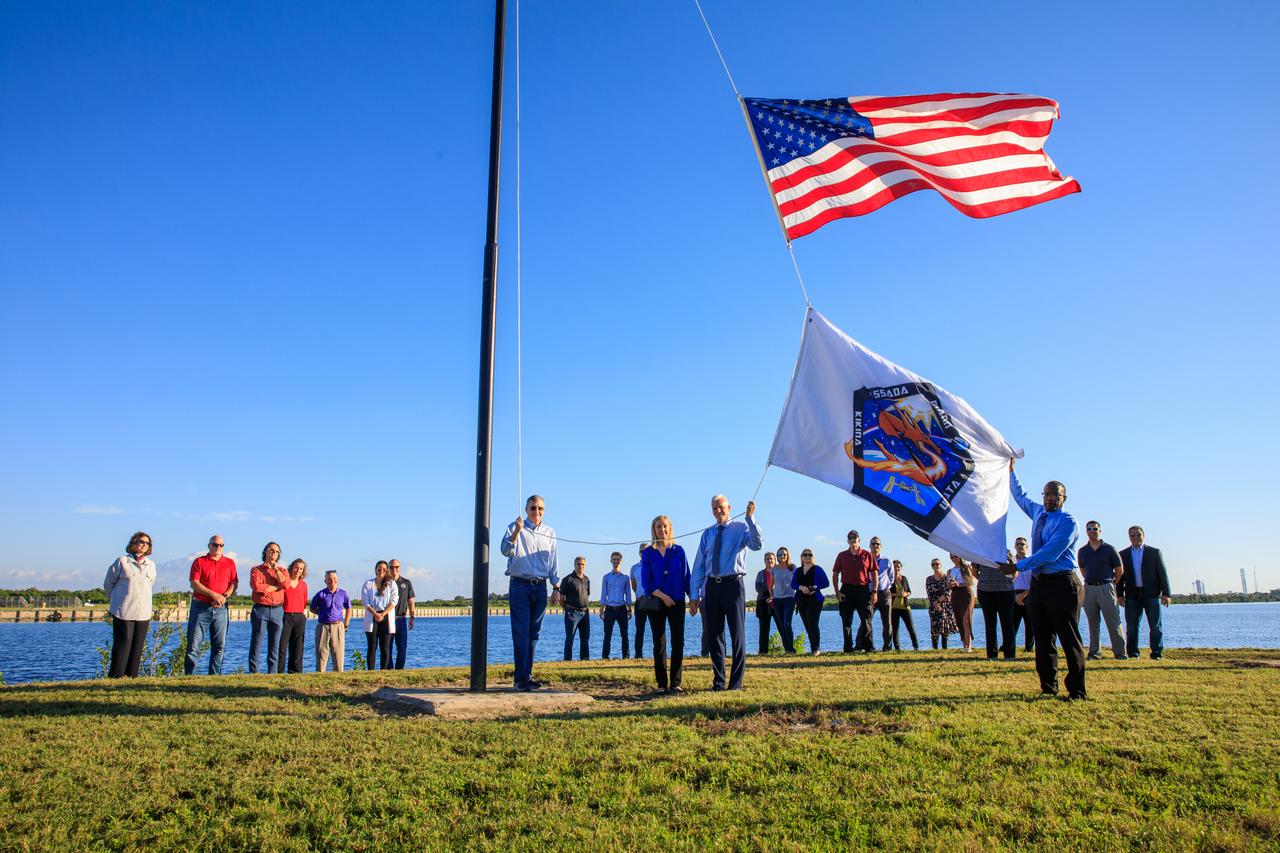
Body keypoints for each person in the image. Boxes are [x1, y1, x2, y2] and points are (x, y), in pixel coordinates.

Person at [997, 463, 1086, 700]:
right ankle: (1049, 686)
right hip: (1040, 584)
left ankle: (1077, 689)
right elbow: (1020, 496)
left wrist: (1017, 566)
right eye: (1046, 494)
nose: (1049, 498)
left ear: (1063, 497)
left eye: (1055, 494)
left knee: (1069, 638)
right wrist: (1010, 471)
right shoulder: (1039, 513)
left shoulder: (1068, 522)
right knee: (1043, 637)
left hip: (1062, 583)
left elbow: (1049, 553)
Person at [689, 496, 762, 692]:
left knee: (737, 636)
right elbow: (699, 565)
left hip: (733, 585)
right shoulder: (708, 534)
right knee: (714, 636)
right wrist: (694, 595)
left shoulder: (741, 528)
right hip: (712, 587)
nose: (717, 511)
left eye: (720, 507)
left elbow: (757, 544)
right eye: (714, 508)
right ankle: (719, 682)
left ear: (728, 507)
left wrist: (751, 519)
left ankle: (735, 684)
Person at [501, 494, 561, 691]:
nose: (537, 512)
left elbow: (553, 562)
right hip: (520, 585)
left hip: (540, 587)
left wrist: (556, 587)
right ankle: (520, 679)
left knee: (534, 633)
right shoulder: (515, 526)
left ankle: (527, 675)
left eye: (540, 508)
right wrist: (516, 533)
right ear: (526, 509)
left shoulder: (550, 532)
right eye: (533, 508)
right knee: (521, 632)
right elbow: (505, 550)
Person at [641, 514, 691, 693]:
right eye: (658, 527)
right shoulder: (648, 553)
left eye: (664, 526)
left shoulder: (679, 551)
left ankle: (675, 682)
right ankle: (662, 684)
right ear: (653, 530)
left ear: (669, 528)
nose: (662, 530)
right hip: (657, 603)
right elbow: (647, 583)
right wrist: (664, 597)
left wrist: (693, 598)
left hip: (677, 602)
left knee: (678, 642)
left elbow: (686, 577)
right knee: (659, 643)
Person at [103, 531, 157, 678]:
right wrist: (117, 600)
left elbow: (149, 584)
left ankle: (132, 676)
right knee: (123, 643)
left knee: (137, 646)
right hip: (124, 610)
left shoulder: (151, 565)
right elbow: (109, 584)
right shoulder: (122, 562)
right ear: (133, 543)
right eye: (141, 541)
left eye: (147, 543)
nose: (144, 545)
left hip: (143, 612)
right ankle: (116, 676)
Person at [185, 535, 239, 675]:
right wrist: (213, 595)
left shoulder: (230, 563)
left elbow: (233, 583)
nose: (218, 548)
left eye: (221, 545)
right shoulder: (199, 562)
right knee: (193, 646)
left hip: (221, 609)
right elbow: (194, 583)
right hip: (200, 607)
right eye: (215, 545)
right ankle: (190, 677)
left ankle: (214, 677)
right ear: (209, 545)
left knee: (219, 646)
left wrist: (224, 597)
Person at [1117, 526, 1171, 660]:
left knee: (1155, 626)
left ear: (1144, 535)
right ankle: (1133, 653)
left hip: (1151, 595)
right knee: (1132, 626)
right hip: (1132, 595)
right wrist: (1119, 595)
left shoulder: (1154, 552)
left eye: (1138, 535)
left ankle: (1156, 653)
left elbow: (1163, 574)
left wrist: (1166, 594)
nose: (1135, 537)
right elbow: (1119, 577)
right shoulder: (1123, 554)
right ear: (1129, 537)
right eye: (1132, 535)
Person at [1077, 521, 1127, 661]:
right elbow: (1082, 569)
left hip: (1106, 587)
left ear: (1100, 530)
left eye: (1095, 529)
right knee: (1092, 623)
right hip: (1089, 589)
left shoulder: (1109, 549)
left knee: (1113, 622)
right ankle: (1094, 653)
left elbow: (1119, 570)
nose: (1092, 531)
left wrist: (1112, 584)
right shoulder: (1083, 551)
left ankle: (1120, 653)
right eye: (1089, 529)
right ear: (1086, 531)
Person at [248, 542, 291, 674]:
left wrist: (276, 570)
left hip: (278, 610)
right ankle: (255, 672)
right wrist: (276, 588)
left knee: (275, 645)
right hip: (261, 609)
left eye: (276, 551)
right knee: (257, 642)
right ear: (265, 552)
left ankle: (272, 673)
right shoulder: (256, 570)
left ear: (279, 554)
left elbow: (286, 584)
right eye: (271, 550)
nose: (273, 552)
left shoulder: (282, 571)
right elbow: (257, 587)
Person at [832, 530, 876, 653]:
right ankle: (848, 648)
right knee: (846, 620)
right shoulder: (842, 555)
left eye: (855, 538)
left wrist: (875, 591)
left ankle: (869, 647)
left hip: (863, 589)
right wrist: (837, 592)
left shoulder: (867, 555)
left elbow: (874, 573)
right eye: (850, 538)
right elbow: (835, 574)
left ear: (859, 540)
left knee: (866, 619)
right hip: (846, 589)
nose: (852, 540)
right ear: (847, 541)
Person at [976, 553, 1017, 660]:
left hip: (1006, 592)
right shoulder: (979, 551)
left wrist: (1008, 581)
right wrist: (984, 581)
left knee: (1007, 623)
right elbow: (974, 571)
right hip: (985, 592)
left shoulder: (1007, 552)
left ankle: (1010, 654)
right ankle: (992, 654)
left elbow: (1015, 571)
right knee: (990, 624)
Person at [310, 570, 352, 672]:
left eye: (334, 579)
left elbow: (349, 608)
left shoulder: (343, 594)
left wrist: (346, 624)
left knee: (338, 655)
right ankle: (320, 677)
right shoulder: (321, 594)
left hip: (338, 626)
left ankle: (338, 677)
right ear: (325, 581)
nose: (332, 581)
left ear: (337, 580)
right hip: (323, 626)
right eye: (329, 579)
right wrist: (321, 613)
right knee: (321, 654)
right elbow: (312, 608)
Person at [361, 561, 399, 671]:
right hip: (372, 616)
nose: (381, 571)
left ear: (386, 570)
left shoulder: (392, 584)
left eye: (384, 569)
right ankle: (371, 671)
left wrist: (383, 613)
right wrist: (375, 614)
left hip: (386, 617)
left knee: (385, 647)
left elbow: (394, 601)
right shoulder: (368, 584)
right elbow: (365, 601)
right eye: (379, 569)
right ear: (375, 570)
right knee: (372, 647)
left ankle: (383, 671)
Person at [791, 548, 829, 655]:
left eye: (810, 555)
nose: (807, 556)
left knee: (813, 622)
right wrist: (801, 587)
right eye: (805, 555)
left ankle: (816, 648)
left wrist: (814, 587)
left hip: (815, 599)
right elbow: (793, 584)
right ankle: (813, 647)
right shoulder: (798, 570)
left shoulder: (817, 569)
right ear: (801, 557)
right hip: (801, 600)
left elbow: (826, 582)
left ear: (812, 557)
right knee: (807, 624)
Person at [278, 558, 309, 674]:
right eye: (296, 567)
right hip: (285, 616)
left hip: (299, 617)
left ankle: (296, 672)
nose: (298, 570)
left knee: (298, 647)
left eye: (301, 569)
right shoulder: (285, 582)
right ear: (292, 567)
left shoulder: (303, 585)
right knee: (282, 646)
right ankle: (279, 672)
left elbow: (304, 600)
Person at [600, 552, 633, 659]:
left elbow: (628, 594)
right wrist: (601, 609)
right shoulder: (606, 577)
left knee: (624, 635)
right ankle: (605, 657)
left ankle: (626, 657)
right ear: (611, 561)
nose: (615, 561)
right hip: (609, 609)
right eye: (614, 559)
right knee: (607, 636)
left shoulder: (625, 578)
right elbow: (603, 594)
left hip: (622, 610)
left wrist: (629, 609)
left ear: (621, 561)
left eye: (618, 559)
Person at [561, 556, 592, 661]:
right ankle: (567, 661)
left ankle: (585, 660)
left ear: (585, 565)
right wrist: (567, 609)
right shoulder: (568, 579)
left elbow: (587, 595)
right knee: (570, 638)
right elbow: (561, 599)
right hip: (572, 613)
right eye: (578, 564)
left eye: (583, 564)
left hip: (585, 613)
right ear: (574, 565)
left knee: (585, 639)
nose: (581, 566)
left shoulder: (587, 579)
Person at [869, 537, 895, 651]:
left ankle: (887, 646)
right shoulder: (866, 560)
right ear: (869, 546)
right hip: (870, 594)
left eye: (878, 544)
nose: (875, 546)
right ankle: (866, 645)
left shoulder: (887, 561)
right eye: (873, 544)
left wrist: (885, 587)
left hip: (884, 593)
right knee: (867, 620)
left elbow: (891, 578)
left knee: (887, 622)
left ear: (881, 546)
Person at [924, 558, 957, 649]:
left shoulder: (947, 577)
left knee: (945, 626)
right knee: (935, 627)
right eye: (933, 564)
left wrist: (938, 601)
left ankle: (944, 648)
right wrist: (935, 604)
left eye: (937, 564)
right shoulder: (929, 579)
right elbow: (929, 592)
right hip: (933, 606)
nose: (935, 566)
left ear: (940, 565)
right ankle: (935, 649)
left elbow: (949, 592)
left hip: (946, 605)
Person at [770, 547, 797, 653]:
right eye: (780, 555)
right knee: (781, 626)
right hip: (777, 600)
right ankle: (787, 649)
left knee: (787, 624)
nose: (782, 556)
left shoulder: (792, 567)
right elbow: (771, 584)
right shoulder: (774, 569)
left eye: (784, 554)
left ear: (787, 555)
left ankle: (791, 648)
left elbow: (797, 582)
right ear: (777, 556)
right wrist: (772, 595)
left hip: (789, 599)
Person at [947, 554, 977, 652]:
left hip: (966, 594)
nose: (954, 559)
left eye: (955, 556)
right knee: (959, 620)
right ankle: (964, 644)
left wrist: (959, 584)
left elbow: (971, 582)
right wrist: (950, 584)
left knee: (966, 620)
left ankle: (969, 646)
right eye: (951, 557)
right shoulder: (950, 571)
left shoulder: (967, 567)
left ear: (960, 556)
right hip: (955, 595)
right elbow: (948, 586)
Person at [390, 559, 416, 670]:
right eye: (391, 567)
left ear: (400, 568)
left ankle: (399, 669)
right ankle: (389, 670)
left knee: (402, 648)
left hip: (401, 620)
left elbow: (411, 601)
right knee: (387, 648)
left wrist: (412, 617)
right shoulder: (385, 583)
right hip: (388, 620)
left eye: (397, 567)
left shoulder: (406, 583)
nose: (394, 569)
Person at [1010, 537, 1034, 653]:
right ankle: (1008, 646)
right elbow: (1008, 579)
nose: (1020, 546)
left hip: (1028, 594)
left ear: (1027, 546)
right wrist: (1015, 596)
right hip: (1013, 595)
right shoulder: (1011, 561)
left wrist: (1024, 595)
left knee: (1029, 623)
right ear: (1015, 546)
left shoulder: (1031, 561)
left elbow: (1034, 580)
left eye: (1022, 544)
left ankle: (1028, 648)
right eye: (1017, 544)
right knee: (1012, 623)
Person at [889, 560, 919, 651]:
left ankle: (916, 646)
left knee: (911, 628)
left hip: (905, 607)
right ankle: (897, 648)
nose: (896, 568)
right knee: (895, 629)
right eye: (894, 566)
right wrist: (897, 595)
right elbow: (887, 593)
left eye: (898, 566)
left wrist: (905, 594)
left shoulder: (904, 578)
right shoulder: (889, 579)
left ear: (901, 567)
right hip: (894, 608)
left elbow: (909, 591)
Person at [753, 552, 775, 655]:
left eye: (771, 558)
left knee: (783, 627)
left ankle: (788, 650)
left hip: (777, 604)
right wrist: (768, 596)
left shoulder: (778, 572)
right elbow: (758, 587)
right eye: (767, 559)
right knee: (763, 629)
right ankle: (763, 651)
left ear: (774, 560)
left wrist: (773, 596)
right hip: (764, 604)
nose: (769, 560)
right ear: (764, 560)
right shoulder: (760, 573)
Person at [630, 544, 647, 659]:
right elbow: (634, 585)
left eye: (645, 551)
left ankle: (659, 655)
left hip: (652, 601)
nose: (643, 553)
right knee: (639, 630)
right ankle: (638, 655)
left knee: (657, 630)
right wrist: (639, 594)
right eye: (641, 551)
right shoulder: (634, 568)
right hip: (640, 601)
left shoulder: (654, 565)